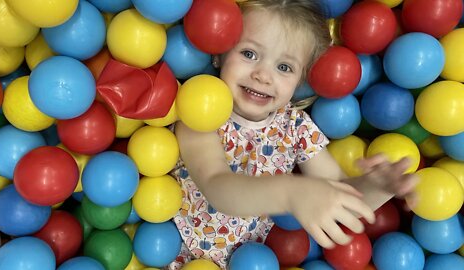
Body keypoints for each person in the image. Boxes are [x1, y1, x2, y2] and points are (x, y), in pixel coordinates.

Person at [167, 0, 418, 268]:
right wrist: (290, 193)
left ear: (300, 80)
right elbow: (218, 186)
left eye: (284, 67)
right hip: (180, 257)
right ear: (220, 53)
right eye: (249, 54)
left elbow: (338, 197)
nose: (263, 75)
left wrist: (378, 187)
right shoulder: (200, 111)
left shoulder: (295, 128)